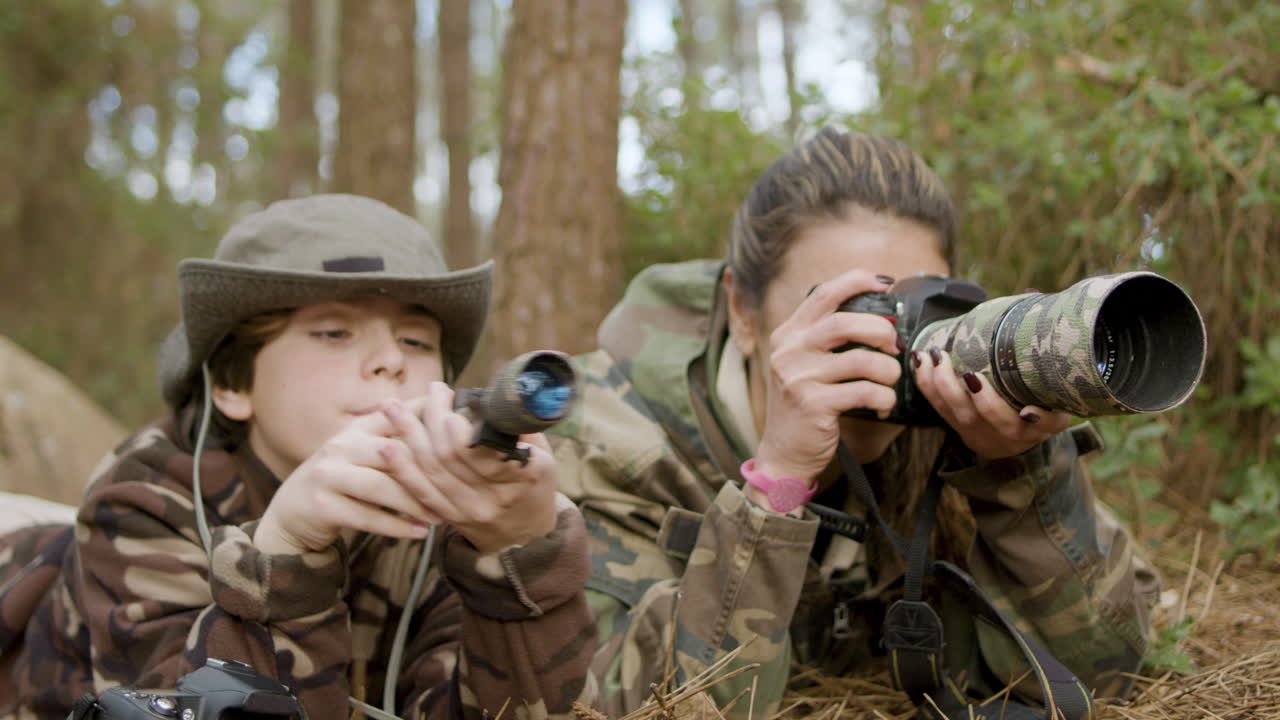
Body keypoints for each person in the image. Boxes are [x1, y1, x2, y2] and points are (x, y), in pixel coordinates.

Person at [549, 128, 1159, 718]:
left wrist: (1018, 469)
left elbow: (1107, 676)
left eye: (914, 311)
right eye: (848, 311)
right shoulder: (607, 444)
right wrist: (777, 484)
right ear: (742, 310)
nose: (885, 349)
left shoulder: (946, 420)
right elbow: (619, 708)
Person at [0, 194, 597, 720]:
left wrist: (518, 561)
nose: (390, 361)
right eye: (334, 333)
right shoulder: (147, 497)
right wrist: (286, 553)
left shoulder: (444, 524)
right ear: (234, 385)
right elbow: (171, 704)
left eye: (416, 342)